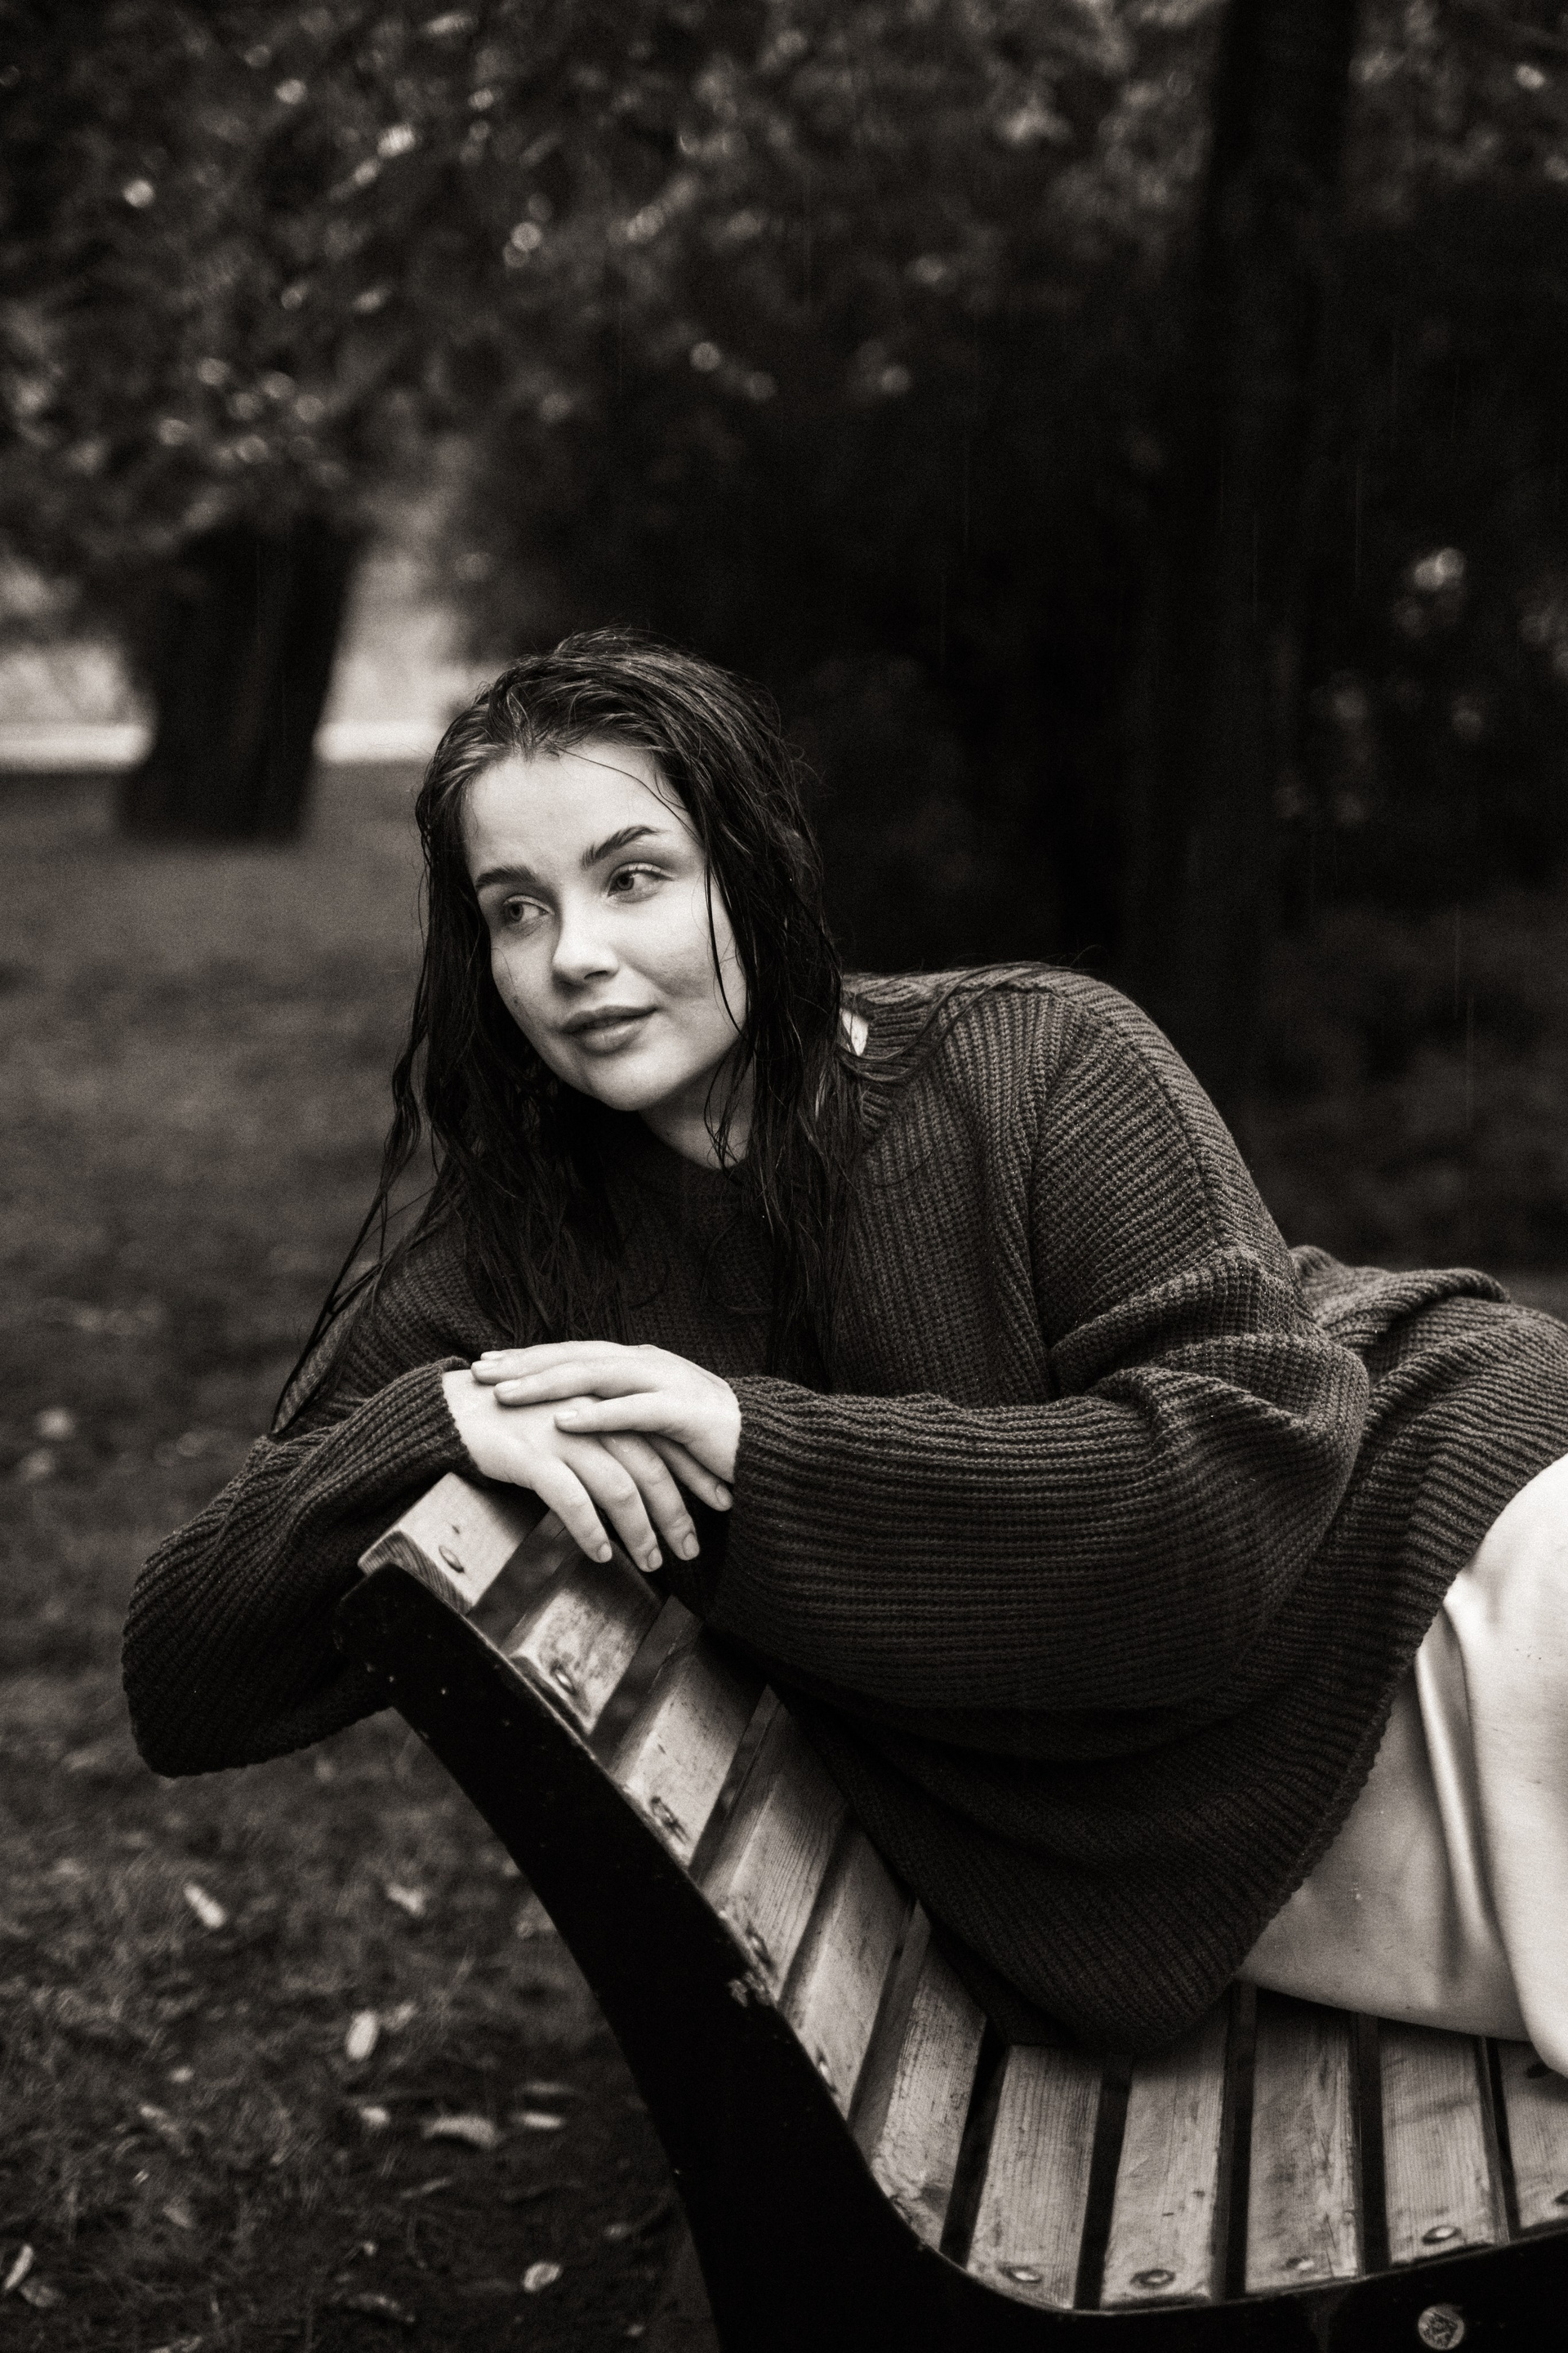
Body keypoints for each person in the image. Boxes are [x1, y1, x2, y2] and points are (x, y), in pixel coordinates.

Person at [122, 629, 1568, 2063]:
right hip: (1224, 1813)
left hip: (1456, 1548)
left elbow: (1228, 1513)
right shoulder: (516, 1270)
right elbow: (183, 1677)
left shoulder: (1040, 1057)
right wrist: (437, 1421)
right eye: (517, 909)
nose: (576, 957)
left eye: (635, 877)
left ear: (750, 867)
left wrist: (752, 1449)